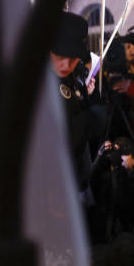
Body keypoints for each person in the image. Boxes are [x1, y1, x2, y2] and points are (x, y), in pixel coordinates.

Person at [51, 12, 99, 194]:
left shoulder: (74, 77)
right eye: (59, 56)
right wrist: (92, 117)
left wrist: (86, 95)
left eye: (73, 58)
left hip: (77, 176)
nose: (66, 64)